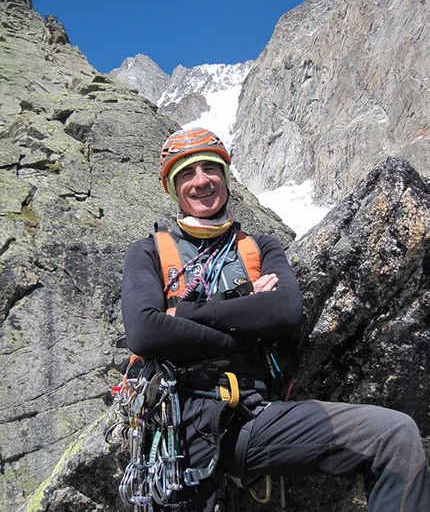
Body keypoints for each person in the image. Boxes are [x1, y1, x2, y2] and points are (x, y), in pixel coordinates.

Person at [121, 127, 430, 512]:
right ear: (172, 186)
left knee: (394, 435)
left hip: (253, 419)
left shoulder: (260, 246)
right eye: (187, 173)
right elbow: (146, 331)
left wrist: (182, 313)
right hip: (179, 425)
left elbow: (284, 311)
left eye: (210, 169)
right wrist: (247, 317)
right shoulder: (147, 252)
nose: (201, 181)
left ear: (226, 176)